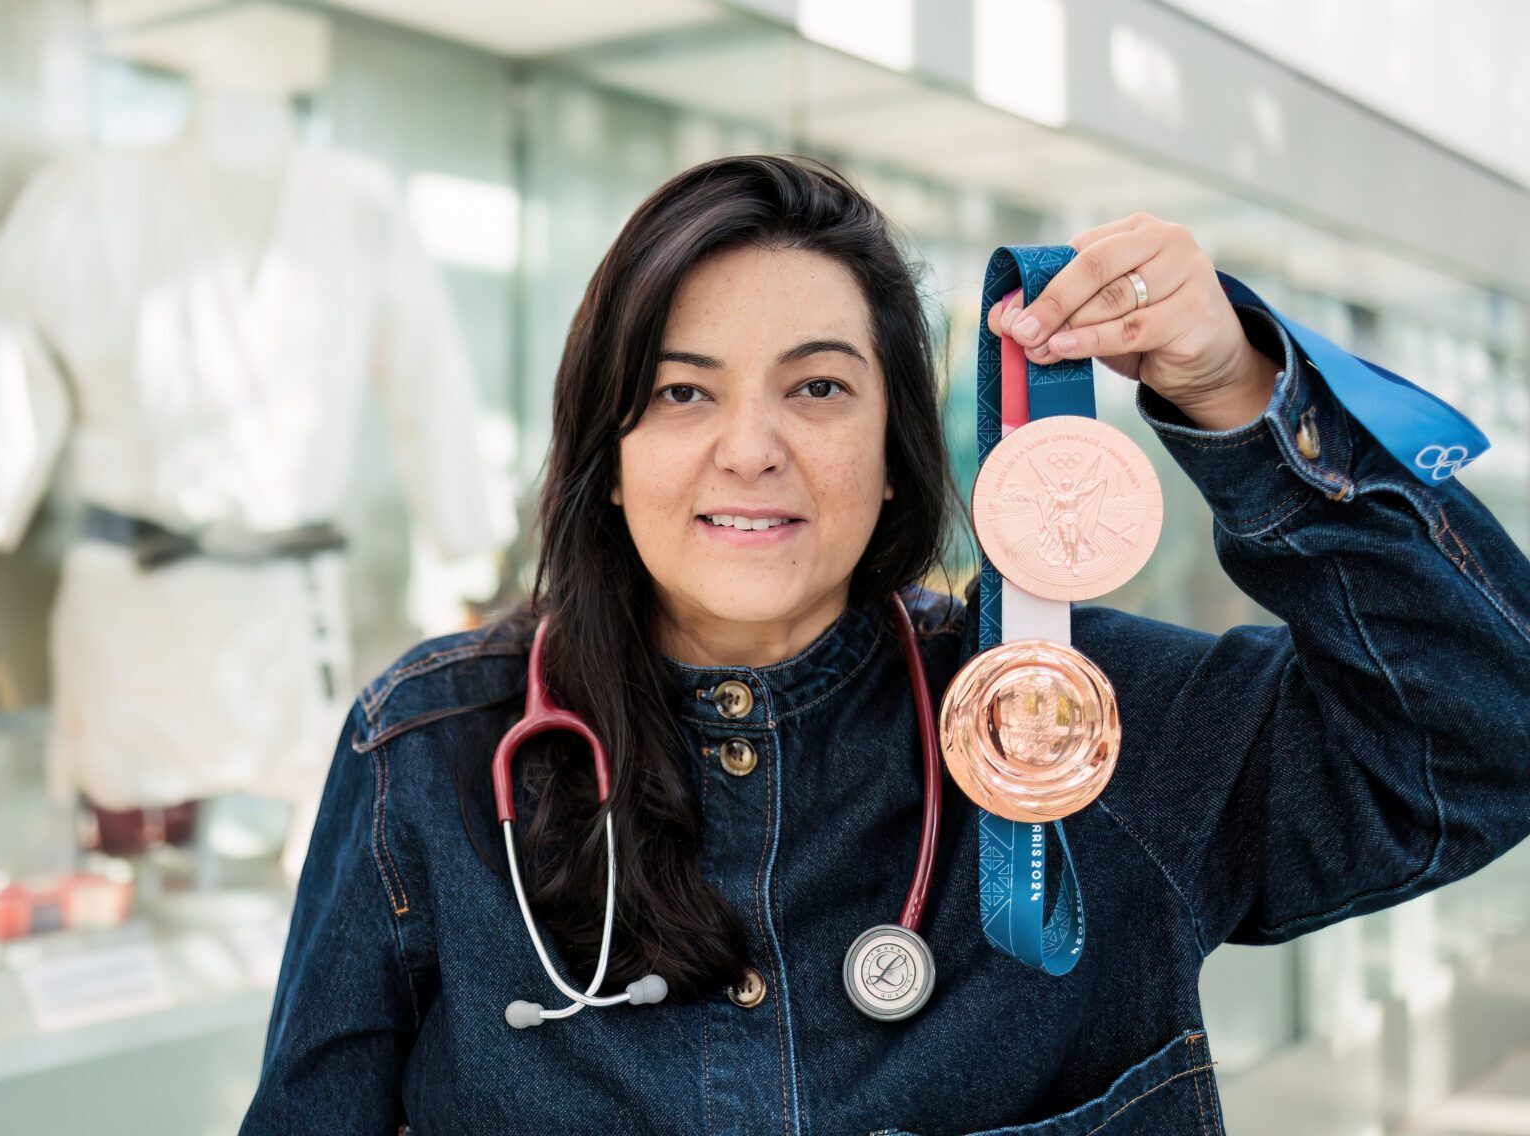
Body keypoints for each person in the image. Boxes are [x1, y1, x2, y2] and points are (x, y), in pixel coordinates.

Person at [238, 155, 1530, 1134]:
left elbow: (1485, 739)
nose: (752, 447)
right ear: (608, 457)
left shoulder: (1086, 721)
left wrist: (1238, 396)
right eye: (683, 391)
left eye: (818, 387)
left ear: (896, 455)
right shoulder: (433, 754)